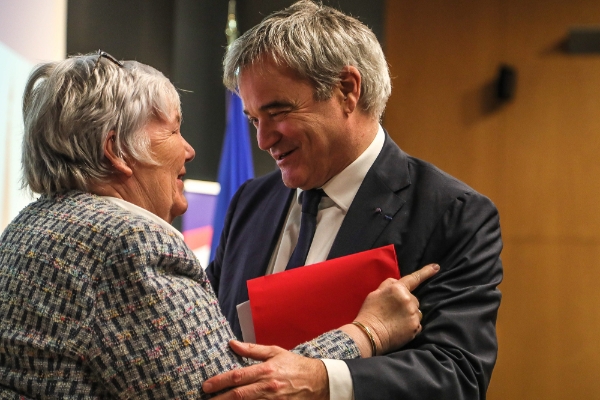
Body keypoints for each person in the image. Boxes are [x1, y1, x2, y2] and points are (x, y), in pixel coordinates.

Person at [0, 51, 438, 399]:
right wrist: (366, 333)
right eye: (173, 131)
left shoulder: (26, 227)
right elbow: (231, 393)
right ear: (116, 150)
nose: (189, 150)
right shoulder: (129, 241)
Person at [204, 1, 504, 399]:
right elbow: (208, 337)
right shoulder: (250, 202)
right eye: (253, 119)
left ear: (347, 90)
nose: (263, 140)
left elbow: (457, 376)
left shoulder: (452, 213)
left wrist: (323, 380)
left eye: (278, 112)